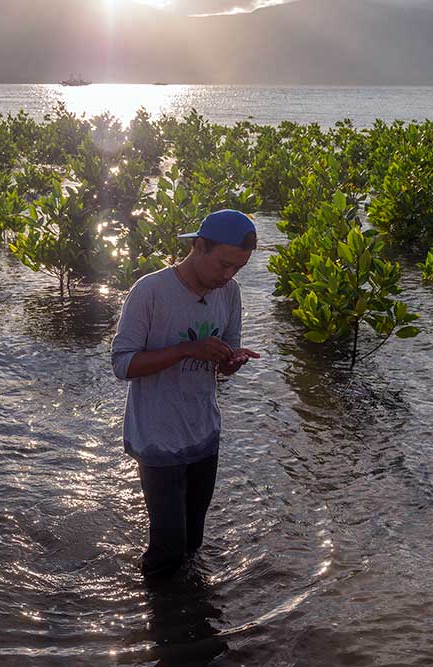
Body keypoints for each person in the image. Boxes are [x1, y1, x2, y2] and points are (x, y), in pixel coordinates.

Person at [111, 209, 260, 578]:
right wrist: (185, 350)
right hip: (158, 439)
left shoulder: (230, 293)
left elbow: (222, 361)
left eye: (237, 269)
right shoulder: (150, 291)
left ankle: (188, 614)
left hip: (204, 434)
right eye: (223, 264)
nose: (228, 276)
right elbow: (122, 364)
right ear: (198, 246)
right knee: (167, 550)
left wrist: (230, 362)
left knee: (193, 540)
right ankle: (161, 626)